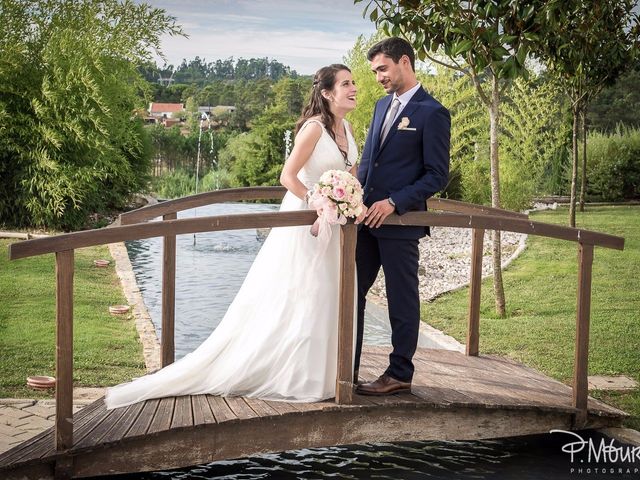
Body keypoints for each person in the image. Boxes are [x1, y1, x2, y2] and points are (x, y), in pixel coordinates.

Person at [105, 64, 361, 409]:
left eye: (353, 82)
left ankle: (324, 374)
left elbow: (349, 176)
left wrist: (348, 200)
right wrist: (316, 200)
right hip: (304, 221)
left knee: (329, 293)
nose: (354, 87)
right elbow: (288, 176)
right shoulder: (313, 129)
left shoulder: (347, 127)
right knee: (302, 291)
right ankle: (295, 376)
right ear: (327, 93)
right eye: (346, 83)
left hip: (336, 226)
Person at [354, 37, 450, 396]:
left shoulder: (432, 112)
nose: (378, 77)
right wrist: (352, 200)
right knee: (351, 294)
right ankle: (347, 365)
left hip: (400, 224)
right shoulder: (380, 106)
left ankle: (399, 374)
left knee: (401, 299)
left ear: (404, 62)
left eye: (382, 68)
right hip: (364, 222)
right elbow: (368, 161)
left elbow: (436, 174)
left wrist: (394, 201)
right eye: (375, 71)